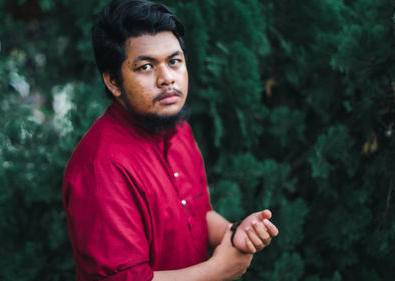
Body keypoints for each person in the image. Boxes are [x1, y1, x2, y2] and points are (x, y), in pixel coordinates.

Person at [62, 0, 279, 280]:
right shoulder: (102, 167)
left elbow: (198, 215)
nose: (167, 78)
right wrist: (219, 270)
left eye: (174, 62)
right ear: (113, 82)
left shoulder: (178, 131)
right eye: (146, 67)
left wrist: (235, 233)